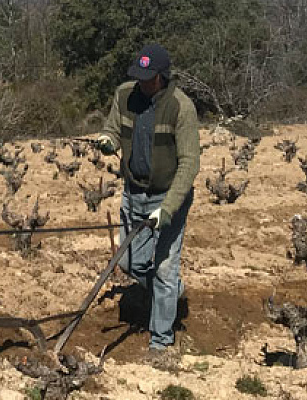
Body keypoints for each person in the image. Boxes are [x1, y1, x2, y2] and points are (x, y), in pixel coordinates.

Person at [90, 43, 202, 370]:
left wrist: (166, 209)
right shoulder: (125, 94)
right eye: (138, 76)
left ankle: (160, 342)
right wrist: (108, 141)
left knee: (164, 266)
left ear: (162, 76)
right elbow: (113, 128)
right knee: (128, 262)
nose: (142, 82)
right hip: (133, 194)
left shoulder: (181, 108)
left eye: (148, 77)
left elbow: (190, 164)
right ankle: (172, 293)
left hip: (168, 198)